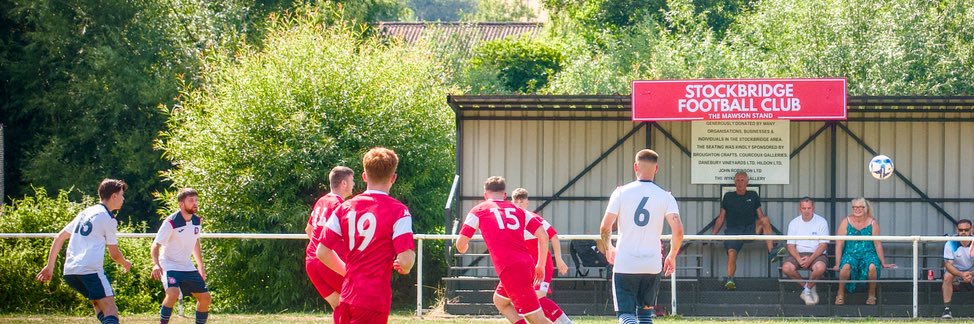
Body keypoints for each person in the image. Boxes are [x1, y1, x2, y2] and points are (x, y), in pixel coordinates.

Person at [318, 147, 416, 323]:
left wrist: (348, 272)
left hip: (347, 295)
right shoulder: (399, 211)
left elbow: (322, 252)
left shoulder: (344, 207)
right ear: (393, 178)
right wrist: (406, 267)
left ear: (364, 176)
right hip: (373, 299)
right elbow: (405, 260)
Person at [600, 149, 684, 324]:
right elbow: (678, 230)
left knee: (625, 314)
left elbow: (605, 227)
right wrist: (672, 255)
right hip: (652, 264)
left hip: (626, 263)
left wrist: (609, 247)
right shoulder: (665, 196)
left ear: (635, 167)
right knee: (645, 315)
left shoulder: (621, 192)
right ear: (657, 169)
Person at [456, 177, 552, 324]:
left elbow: (460, 244)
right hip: (526, 264)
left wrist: (464, 248)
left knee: (536, 318)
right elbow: (543, 235)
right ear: (505, 195)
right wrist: (540, 264)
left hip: (511, 269)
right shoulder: (519, 210)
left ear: (485, 195)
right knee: (500, 301)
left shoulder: (479, 210)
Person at [36, 179, 132, 324]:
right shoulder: (108, 218)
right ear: (114, 196)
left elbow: (59, 237)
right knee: (111, 310)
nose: (123, 199)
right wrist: (125, 263)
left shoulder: (85, 212)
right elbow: (114, 254)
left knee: (100, 306)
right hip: (90, 270)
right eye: (121, 195)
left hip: (70, 272)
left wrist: (50, 267)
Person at [151, 188, 211, 324]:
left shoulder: (197, 221)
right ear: (181, 204)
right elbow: (156, 245)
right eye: (191, 200)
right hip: (169, 264)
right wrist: (155, 264)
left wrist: (200, 266)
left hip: (186, 266)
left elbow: (195, 241)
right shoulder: (171, 222)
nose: (195, 203)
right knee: (173, 293)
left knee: (205, 298)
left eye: (196, 200)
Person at [511, 188, 571, 324]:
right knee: (533, 304)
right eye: (516, 201)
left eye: (522, 201)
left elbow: (554, 236)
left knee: (537, 300)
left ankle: (566, 322)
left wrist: (559, 259)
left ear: (527, 202)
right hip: (527, 269)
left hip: (543, 266)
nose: (519, 204)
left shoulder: (533, 218)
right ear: (512, 202)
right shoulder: (512, 222)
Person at [711, 171, 779, 290]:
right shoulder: (728, 196)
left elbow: (761, 216)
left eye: (742, 180)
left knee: (765, 219)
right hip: (733, 231)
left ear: (747, 182)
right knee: (732, 253)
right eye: (738, 180)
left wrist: (765, 229)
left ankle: (772, 251)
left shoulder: (752, 195)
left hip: (750, 229)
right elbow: (721, 217)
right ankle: (730, 279)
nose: (740, 183)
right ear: (734, 182)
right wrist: (712, 235)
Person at [305, 166, 355, 310]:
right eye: (352, 181)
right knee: (357, 303)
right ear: (344, 183)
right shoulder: (340, 205)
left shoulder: (321, 201)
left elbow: (309, 229)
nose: (353, 185)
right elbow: (349, 237)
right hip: (329, 261)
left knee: (339, 306)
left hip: (311, 261)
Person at [834, 197, 895, 305]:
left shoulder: (872, 222)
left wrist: (883, 262)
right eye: (854, 207)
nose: (857, 209)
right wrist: (837, 263)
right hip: (850, 253)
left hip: (868, 253)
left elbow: (877, 244)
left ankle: (872, 294)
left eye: (860, 207)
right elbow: (839, 244)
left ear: (865, 208)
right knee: (845, 267)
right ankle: (840, 293)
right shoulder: (846, 221)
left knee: (872, 267)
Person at [781, 197, 829, 305]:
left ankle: (806, 291)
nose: (806, 211)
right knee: (786, 268)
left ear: (813, 208)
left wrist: (810, 259)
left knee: (820, 268)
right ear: (800, 209)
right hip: (798, 253)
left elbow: (823, 245)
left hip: (817, 254)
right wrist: (799, 258)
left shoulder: (821, 222)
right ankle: (808, 287)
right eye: (804, 208)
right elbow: (790, 245)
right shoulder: (794, 223)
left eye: (809, 208)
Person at [940, 219, 973, 319]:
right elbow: (948, 265)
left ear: (971, 230)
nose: (963, 232)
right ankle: (947, 310)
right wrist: (962, 274)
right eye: (961, 230)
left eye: (966, 230)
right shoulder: (951, 242)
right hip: (956, 270)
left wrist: (971, 274)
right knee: (947, 277)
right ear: (957, 230)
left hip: (972, 270)